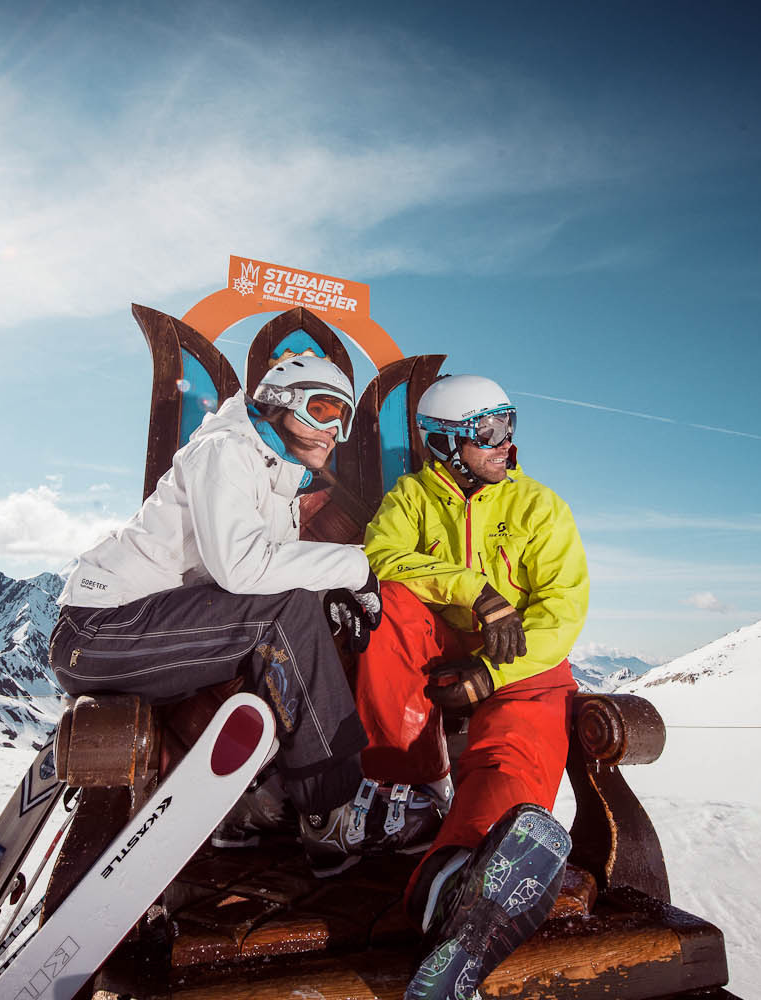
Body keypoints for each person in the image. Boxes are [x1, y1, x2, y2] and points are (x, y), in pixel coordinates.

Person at [50, 355, 438, 877]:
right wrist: (351, 567)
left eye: (342, 420)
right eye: (322, 410)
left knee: (295, 611)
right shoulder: (226, 449)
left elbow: (263, 579)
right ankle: (335, 808)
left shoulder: (274, 478)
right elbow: (242, 570)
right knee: (285, 611)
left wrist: (328, 592)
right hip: (101, 633)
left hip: (146, 631)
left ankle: (252, 804)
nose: (334, 431)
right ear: (279, 400)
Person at [356, 374, 589, 1000]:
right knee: (392, 604)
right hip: (437, 648)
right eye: (488, 432)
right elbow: (383, 557)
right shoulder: (410, 500)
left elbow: (562, 610)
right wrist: (471, 589)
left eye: (509, 426)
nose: (505, 444)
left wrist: (492, 673)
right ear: (443, 443)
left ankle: (452, 880)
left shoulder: (538, 506)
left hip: (518, 664)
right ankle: (399, 791)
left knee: (519, 742)